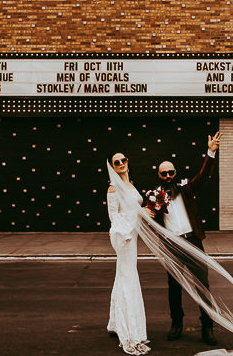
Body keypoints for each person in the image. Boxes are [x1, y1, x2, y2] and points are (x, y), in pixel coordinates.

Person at [150, 131, 222, 346]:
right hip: (172, 245)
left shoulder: (187, 188)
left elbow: (204, 176)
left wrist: (210, 152)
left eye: (171, 172)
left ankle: (207, 327)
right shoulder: (154, 196)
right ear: (159, 176)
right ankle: (176, 324)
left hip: (193, 241)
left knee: (202, 284)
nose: (168, 176)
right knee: (174, 286)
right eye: (164, 174)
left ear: (175, 172)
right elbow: (148, 219)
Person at [106, 152, 151, 355]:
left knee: (123, 277)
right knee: (128, 278)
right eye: (117, 162)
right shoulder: (113, 188)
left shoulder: (130, 185)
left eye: (124, 160)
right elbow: (114, 217)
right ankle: (129, 329)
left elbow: (135, 208)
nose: (122, 163)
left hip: (132, 235)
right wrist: (141, 213)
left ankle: (115, 323)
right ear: (113, 167)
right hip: (124, 236)